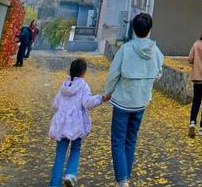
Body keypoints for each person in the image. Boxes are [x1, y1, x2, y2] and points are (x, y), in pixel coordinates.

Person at [103, 12, 164, 187]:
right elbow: (158, 74)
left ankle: (122, 180)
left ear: (133, 29)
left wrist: (108, 92)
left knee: (118, 140)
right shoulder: (156, 52)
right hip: (141, 102)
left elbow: (114, 74)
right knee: (131, 139)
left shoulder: (126, 49)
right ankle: (125, 176)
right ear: (150, 29)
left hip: (123, 101)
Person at [48, 57, 107, 187]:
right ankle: (70, 174)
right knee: (75, 149)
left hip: (62, 125)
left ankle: (54, 184)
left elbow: (56, 102)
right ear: (83, 72)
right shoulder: (83, 85)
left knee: (60, 154)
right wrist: (101, 98)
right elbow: (87, 102)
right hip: (77, 125)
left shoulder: (64, 84)